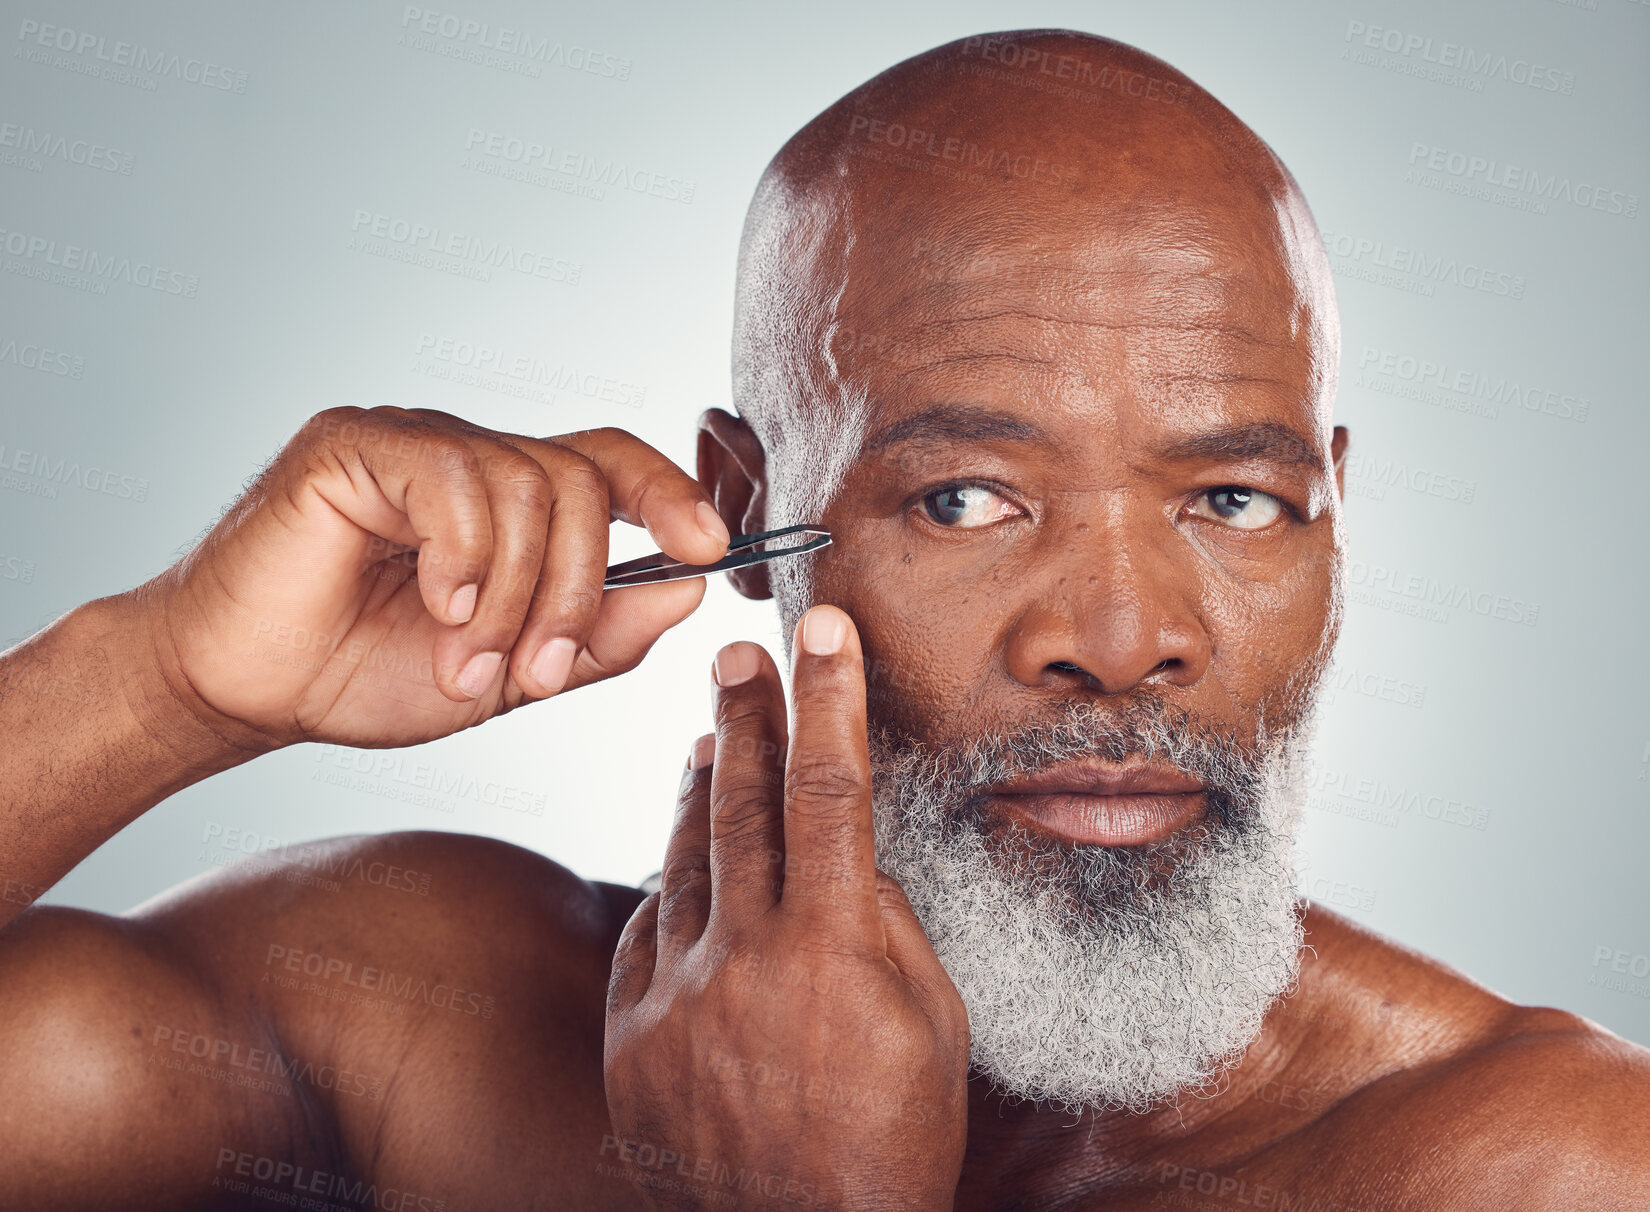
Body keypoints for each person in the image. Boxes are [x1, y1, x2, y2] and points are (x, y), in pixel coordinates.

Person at [2, 28, 1645, 1210]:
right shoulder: (417, 1020)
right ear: (743, 513)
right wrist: (163, 681)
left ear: (1334, 525)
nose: (1127, 634)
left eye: (1232, 502)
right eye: (965, 499)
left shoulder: (1551, 1168)